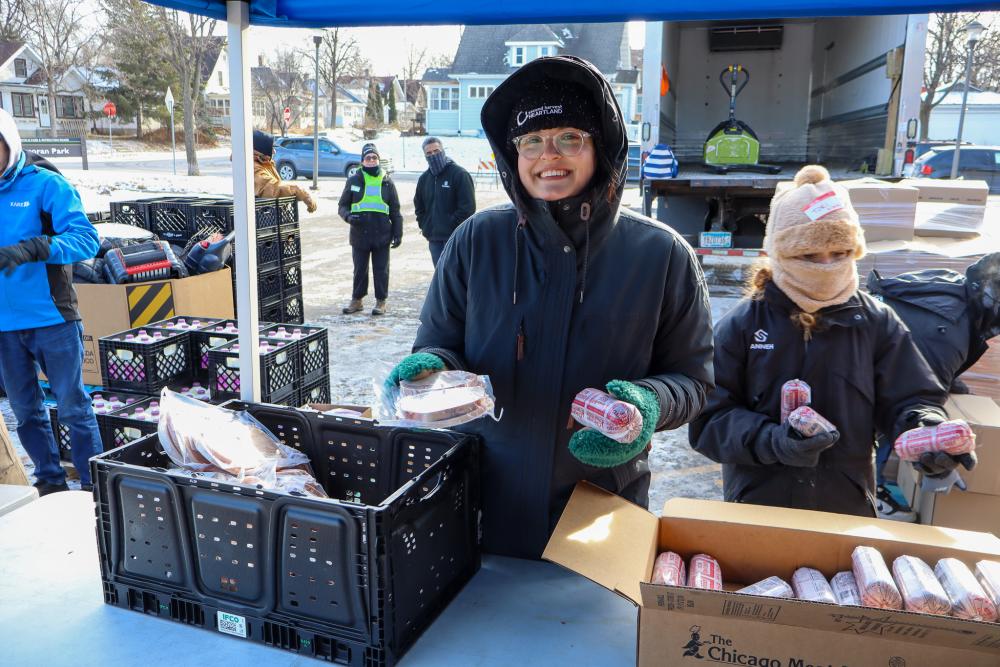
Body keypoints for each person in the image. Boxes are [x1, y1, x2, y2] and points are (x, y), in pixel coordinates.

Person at [385, 56, 714, 559]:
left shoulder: (661, 255)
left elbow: (694, 380)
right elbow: (439, 347)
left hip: (604, 507)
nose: (549, 155)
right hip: (482, 503)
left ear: (599, 147)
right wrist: (429, 371)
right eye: (531, 141)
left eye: (569, 137)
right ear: (512, 153)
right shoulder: (476, 242)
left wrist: (648, 406)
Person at [689, 165, 974, 517]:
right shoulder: (744, 325)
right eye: (810, 256)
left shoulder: (876, 322)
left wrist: (927, 430)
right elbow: (709, 421)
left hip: (846, 507)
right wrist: (774, 441)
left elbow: (909, 399)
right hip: (759, 506)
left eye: (839, 253)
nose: (826, 266)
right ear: (781, 253)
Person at [0, 108, 103, 495]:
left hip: (52, 320)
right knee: (26, 413)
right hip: (5, 329)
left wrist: (38, 247)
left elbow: (87, 240)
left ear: (9, 144)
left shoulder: (46, 186)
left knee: (74, 407)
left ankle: (95, 487)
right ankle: (50, 485)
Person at [866, 254, 1000, 520]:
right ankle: (875, 489)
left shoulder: (957, 289)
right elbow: (914, 397)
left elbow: (925, 349)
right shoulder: (949, 331)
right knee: (890, 421)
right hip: (868, 370)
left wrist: (951, 381)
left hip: (878, 351)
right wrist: (940, 465)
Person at [338, 142, 403, 316]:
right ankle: (357, 300)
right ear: (362, 161)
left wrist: (398, 233)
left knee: (381, 270)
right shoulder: (354, 180)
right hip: (360, 235)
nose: (372, 160)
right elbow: (342, 206)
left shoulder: (387, 182)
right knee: (360, 270)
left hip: (382, 235)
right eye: (368, 158)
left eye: (374, 157)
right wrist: (348, 217)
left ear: (378, 160)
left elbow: (395, 210)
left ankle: (381, 302)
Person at [414, 137, 476, 267]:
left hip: (456, 238)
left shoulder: (459, 174)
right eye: (429, 153)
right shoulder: (424, 179)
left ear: (443, 151)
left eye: (436, 151)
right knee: (440, 279)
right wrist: (426, 226)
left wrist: (452, 225)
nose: (433, 155)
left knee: (457, 278)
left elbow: (468, 208)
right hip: (434, 240)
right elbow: (419, 207)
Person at [251, 130, 317, 213]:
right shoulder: (253, 167)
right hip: (260, 218)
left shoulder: (262, 162)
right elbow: (271, 188)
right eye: (270, 149)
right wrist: (298, 191)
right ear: (260, 151)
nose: (274, 152)